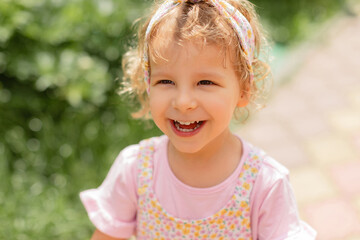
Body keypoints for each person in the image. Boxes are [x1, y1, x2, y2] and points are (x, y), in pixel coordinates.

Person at [80, 0, 317, 239]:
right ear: (147, 83)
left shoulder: (264, 185)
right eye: (166, 81)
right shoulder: (135, 169)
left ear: (244, 89)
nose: (183, 102)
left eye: (205, 82)